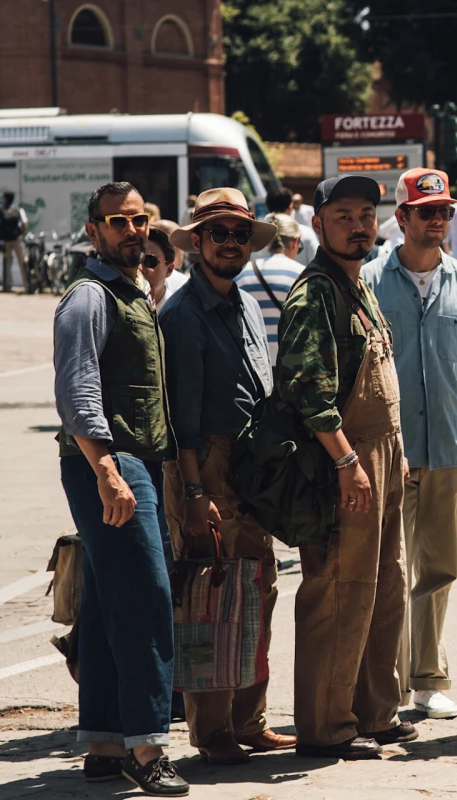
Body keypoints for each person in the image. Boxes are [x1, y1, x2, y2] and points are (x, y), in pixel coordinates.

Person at [53, 181, 189, 796]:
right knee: (145, 601)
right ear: (93, 231)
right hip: (112, 462)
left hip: (135, 462)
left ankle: (106, 744)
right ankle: (147, 748)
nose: (132, 230)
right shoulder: (88, 296)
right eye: (118, 221)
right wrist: (107, 471)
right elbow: (77, 390)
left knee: (109, 600)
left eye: (139, 220)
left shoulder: (134, 291)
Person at [278, 175, 413, 759]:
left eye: (365, 216)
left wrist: (395, 456)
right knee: (338, 592)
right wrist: (349, 461)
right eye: (343, 217)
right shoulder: (315, 292)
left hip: (382, 457)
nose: (358, 226)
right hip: (344, 461)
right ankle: (325, 725)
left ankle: (375, 713)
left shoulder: (358, 286)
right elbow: (307, 388)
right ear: (317, 225)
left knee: (384, 588)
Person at [159, 189, 295, 764]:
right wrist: (194, 493)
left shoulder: (244, 302)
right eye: (219, 234)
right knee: (211, 596)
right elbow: (180, 421)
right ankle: (212, 730)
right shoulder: (182, 315)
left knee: (257, 589)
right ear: (197, 243)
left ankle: (249, 720)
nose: (232, 244)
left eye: (240, 234)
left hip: (249, 463)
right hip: (205, 464)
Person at [361, 168, 457, 721]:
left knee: (437, 569)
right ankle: (383, 685)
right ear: (402, 217)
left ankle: (428, 679)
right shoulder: (369, 280)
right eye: (426, 211)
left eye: (444, 211)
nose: (437, 220)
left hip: (446, 449)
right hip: (386, 450)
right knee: (385, 570)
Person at [236, 214, 305, 362]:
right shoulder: (303, 275)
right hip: (291, 363)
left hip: (253, 363)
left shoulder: (243, 273)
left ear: (268, 243)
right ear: (295, 242)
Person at [265, 187, 319, 265]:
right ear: (290, 206)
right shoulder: (306, 233)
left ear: (267, 207)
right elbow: (316, 262)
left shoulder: (256, 233)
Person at [140, 225, 188, 312]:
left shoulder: (181, 312)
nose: (139, 268)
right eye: (133, 260)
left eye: (149, 261)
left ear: (169, 269)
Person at [0, 191, 29, 292]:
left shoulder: (0, 210)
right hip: (17, 239)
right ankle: (27, 284)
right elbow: (25, 224)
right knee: (22, 262)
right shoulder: (18, 210)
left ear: (5, 199)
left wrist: (2, 235)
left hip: (6, 240)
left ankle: (7, 285)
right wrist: (20, 234)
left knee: (7, 263)